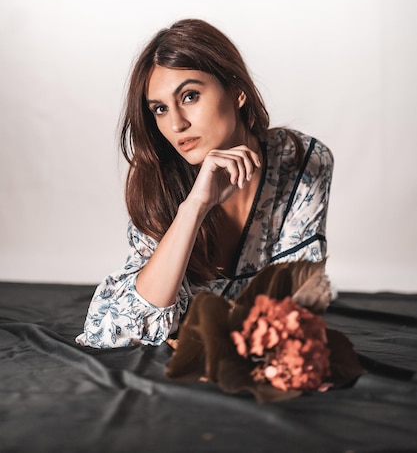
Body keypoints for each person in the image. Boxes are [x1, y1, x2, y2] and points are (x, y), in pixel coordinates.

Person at [76, 19, 334, 349]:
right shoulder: (158, 178)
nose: (176, 124)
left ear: (237, 91)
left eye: (190, 96)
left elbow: (296, 306)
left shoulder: (302, 162)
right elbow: (114, 332)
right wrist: (194, 207)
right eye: (159, 109)